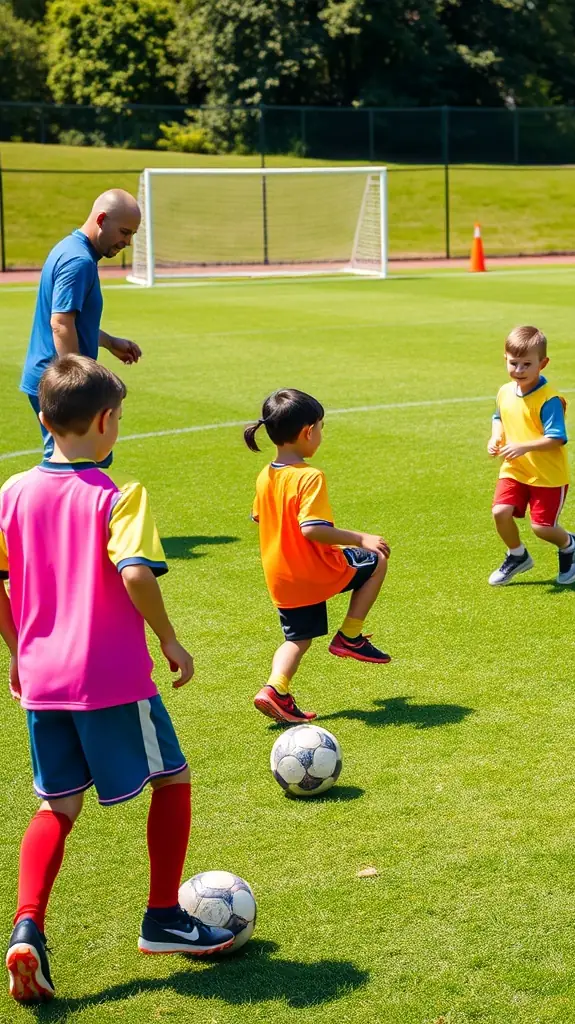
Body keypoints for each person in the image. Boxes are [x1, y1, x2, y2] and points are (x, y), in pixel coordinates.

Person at [0, 356, 233, 1004]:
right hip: (110, 679)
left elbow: (0, 585)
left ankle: (27, 926)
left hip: (42, 679)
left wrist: (18, 652)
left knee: (57, 805)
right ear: (106, 423)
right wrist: (168, 638)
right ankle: (163, 917)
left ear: (44, 420)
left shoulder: (11, 492)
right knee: (174, 775)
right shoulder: (119, 496)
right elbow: (135, 573)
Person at [247, 388, 391, 724]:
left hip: (282, 577)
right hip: (315, 569)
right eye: (321, 427)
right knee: (377, 561)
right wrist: (361, 538)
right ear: (307, 432)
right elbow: (312, 528)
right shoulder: (309, 475)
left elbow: (258, 516)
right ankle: (351, 636)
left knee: (297, 639)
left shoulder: (265, 475)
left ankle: (275, 689)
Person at [20, 190, 143, 459]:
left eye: (132, 234)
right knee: (78, 463)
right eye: (124, 232)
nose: (128, 242)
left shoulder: (71, 248)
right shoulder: (79, 261)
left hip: (52, 376)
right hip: (58, 381)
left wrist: (110, 342)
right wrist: (78, 383)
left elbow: (73, 322)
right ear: (101, 219)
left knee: (88, 458)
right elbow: (61, 324)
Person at [487, 325, 575, 586]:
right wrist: (495, 436)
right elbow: (499, 417)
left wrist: (523, 446)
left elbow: (556, 438)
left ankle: (569, 545)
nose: (518, 370)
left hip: (547, 475)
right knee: (500, 512)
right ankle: (517, 555)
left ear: (543, 363)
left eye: (526, 364)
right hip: (514, 469)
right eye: (513, 363)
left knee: (542, 528)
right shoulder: (505, 391)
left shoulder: (548, 399)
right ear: (504, 358)